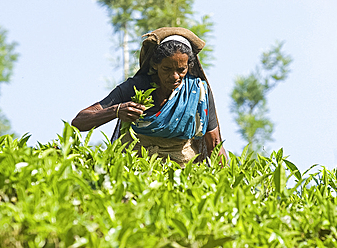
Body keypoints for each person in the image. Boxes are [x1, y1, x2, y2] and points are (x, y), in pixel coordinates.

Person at [72, 27, 227, 166]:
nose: (174, 76)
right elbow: (79, 121)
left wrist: (229, 183)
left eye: (181, 69)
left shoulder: (198, 93)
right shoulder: (136, 87)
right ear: (155, 65)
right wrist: (116, 111)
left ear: (189, 66)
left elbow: (214, 143)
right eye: (167, 69)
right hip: (134, 171)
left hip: (180, 174)